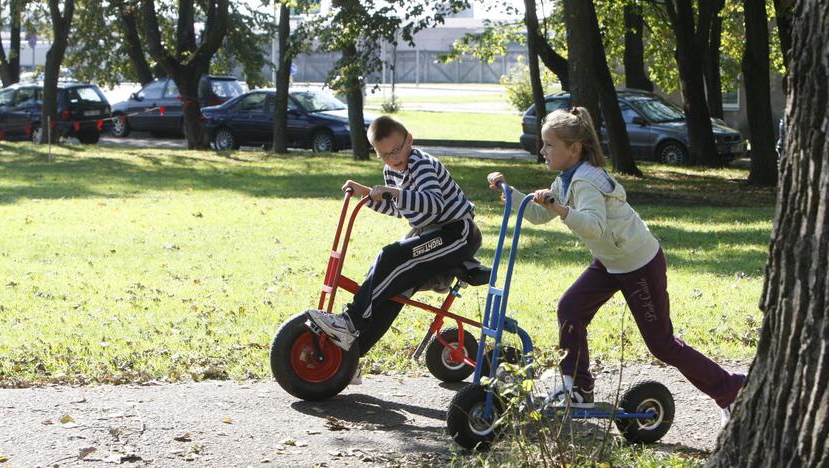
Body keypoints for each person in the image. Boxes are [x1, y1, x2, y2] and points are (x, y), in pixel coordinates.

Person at [487, 107, 744, 426]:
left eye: (549, 145)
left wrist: (561, 208)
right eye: (544, 144)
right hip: (611, 261)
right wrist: (510, 192)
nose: (543, 151)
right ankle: (578, 387)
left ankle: (731, 389)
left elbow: (593, 226)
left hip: (638, 263)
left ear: (574, 149)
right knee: (571, 308)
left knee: (662, 345)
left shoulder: (585, 183)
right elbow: (540, 216)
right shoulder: (565, 180)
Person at [307, 115, 482, 372]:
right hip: (429, 232)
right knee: (390, 288)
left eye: (397, 150)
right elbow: (398, 207)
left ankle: (351, 320)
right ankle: (349, 358)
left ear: (409, 139)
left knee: (390, 256)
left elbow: (433, 203)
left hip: (457, 233)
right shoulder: (391, 170)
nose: (393, 158)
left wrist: (394, 192)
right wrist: (367, 194)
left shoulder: (421, 164)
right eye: (385, 155)